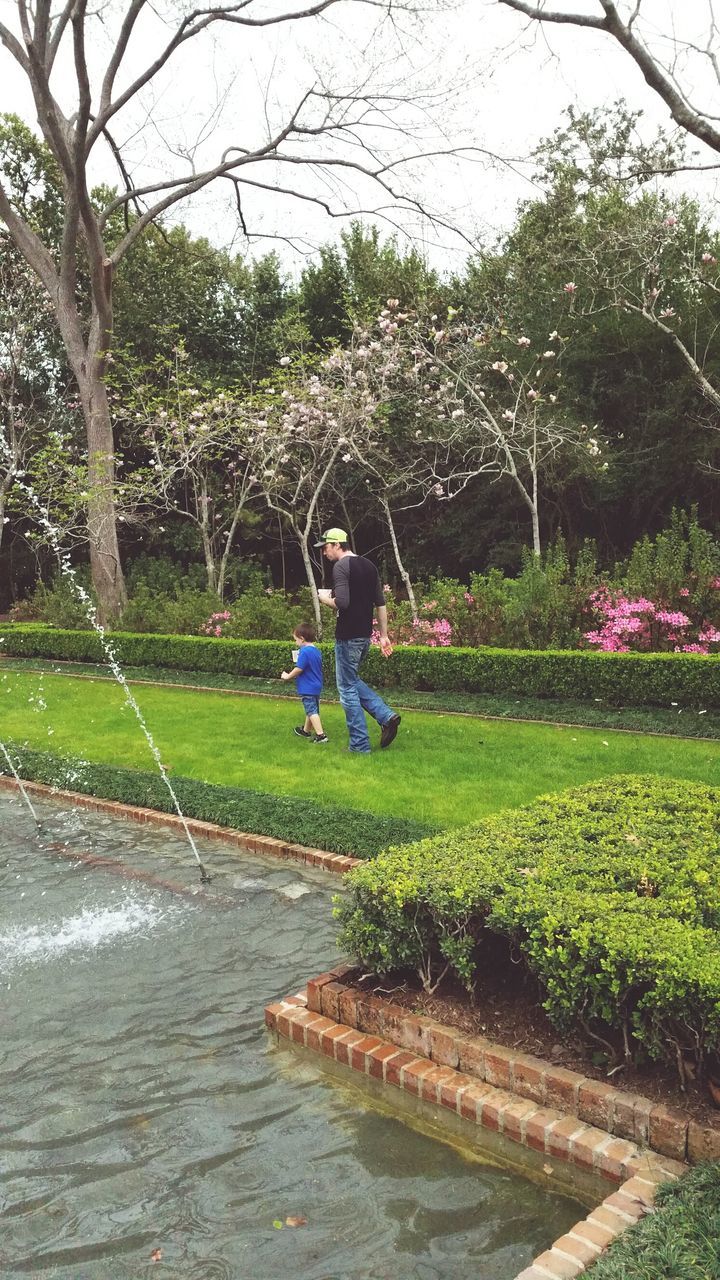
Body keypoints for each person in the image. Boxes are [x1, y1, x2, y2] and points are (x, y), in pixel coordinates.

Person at [314, 527, 401, 754]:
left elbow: (342, 602)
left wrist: (324, 598)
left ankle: (360, 745)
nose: (324, 553)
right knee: (351, 681)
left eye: (325, 548)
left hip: (347, 636)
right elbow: (380, 604)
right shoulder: (369, 566)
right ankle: (386, 716)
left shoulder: (341, 566)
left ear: (337, 545)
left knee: (346, 689)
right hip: (363, 637)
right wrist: (383, 636)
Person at [280, 623, 328, 744]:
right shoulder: (316, 650)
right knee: (311, 709)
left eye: (296, 640)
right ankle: (306, 731)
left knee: (311, 711)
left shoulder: (304, 651)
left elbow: (299, 669)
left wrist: (287, 676)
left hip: (307, 687)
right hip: (316, 685)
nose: (295, 642)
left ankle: (321, 735)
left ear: (302, 639)